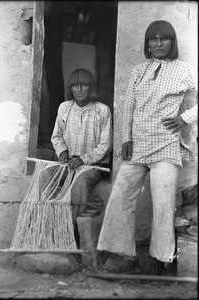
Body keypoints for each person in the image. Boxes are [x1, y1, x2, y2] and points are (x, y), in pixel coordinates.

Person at [97, 20, 197, 275]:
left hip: (165, 146)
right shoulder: (139, 70)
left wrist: (184, 119)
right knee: (120, 198)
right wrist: (126, 139)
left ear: (172, 43)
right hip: (138, 145)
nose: (159, 44)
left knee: (163, 205)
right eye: (153, 39)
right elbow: (128, 105)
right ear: (147, 44)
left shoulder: (184, 69)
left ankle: (161, 258)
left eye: (164, 39)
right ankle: (124, 255)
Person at [50, 68, 112, 245]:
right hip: (67, 163)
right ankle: (47, 227)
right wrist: (62, 153)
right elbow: (56, 136)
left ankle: (72, 235)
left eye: (84, 85)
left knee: (80, 183)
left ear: (91, 87)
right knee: (45, 176)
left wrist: (83, 159)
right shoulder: (64, 107)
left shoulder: (102, 110)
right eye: (75, 85)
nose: (79, 89)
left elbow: (105, 145)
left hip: (91, 165)